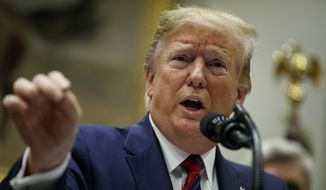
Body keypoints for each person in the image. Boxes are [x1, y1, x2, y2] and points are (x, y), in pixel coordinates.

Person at [0, 6, 287, 190]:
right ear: (150, 80)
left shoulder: (266, 186)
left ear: (239, 95)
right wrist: (46, 165)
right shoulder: (84, 152)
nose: (197, 76)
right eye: (181, 58)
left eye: (216, 64)